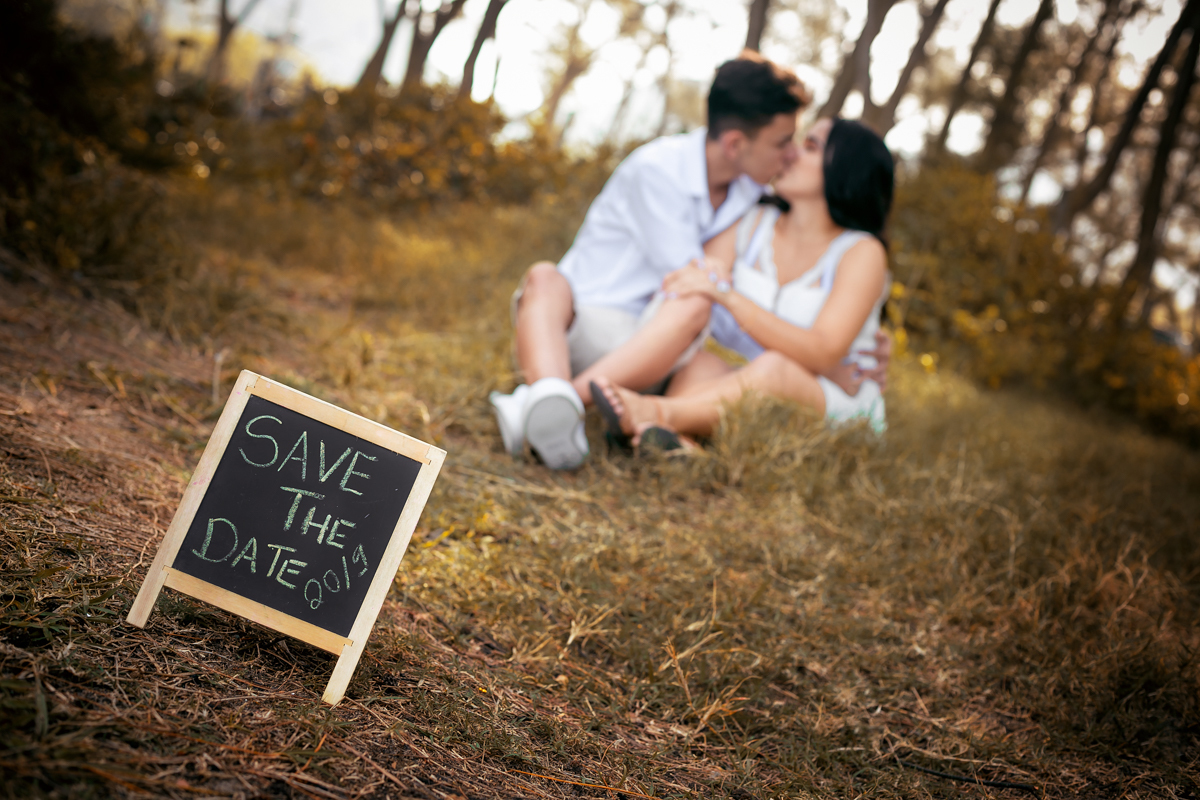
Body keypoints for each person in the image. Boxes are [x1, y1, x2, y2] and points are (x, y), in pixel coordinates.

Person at [489, 52, 812, 469]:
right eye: (782, 142)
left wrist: (808, 356)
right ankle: (553, 392)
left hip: (660, 352)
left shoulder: (752, 197)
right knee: (544, 277)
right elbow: (692, 280)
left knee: (700, 304)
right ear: (735, 144)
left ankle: (551, 402)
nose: (790, 155)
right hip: (580, 332)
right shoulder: (658, 171)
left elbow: (731, 302)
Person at [590, 118, 894, 447]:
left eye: (810, 147)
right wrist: (711, 284)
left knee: (772, 369)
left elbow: (822, 352)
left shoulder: (862, 251)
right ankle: (681, 446)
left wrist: (729, 297)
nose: (791, 153)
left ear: (847, 169)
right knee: (697, 364)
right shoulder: (753, 222)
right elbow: (695, 279)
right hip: (750, 379)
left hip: (833, 396)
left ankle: (654, 413)